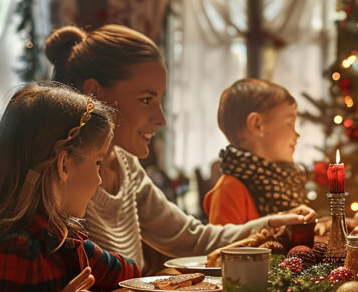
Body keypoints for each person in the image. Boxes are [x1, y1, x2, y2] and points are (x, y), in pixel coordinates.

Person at [44, 25, 316, 275]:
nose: (161, 118)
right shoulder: (62, 172)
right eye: (146, 100)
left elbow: (191, 239)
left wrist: (271, 224)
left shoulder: (125, 163)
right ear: (95, 93)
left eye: (160, 100)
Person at [0, 82, 140, 292]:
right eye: (98, 163)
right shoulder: (13, 251)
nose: (99, 179)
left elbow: (129, 274)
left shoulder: (63, 240)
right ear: (64, 164)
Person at [203, 78, 311, 225]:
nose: (296, 134)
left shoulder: (287, 182)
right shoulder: (229, 191)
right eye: (289, 124)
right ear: (257, 125)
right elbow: (226, 245)